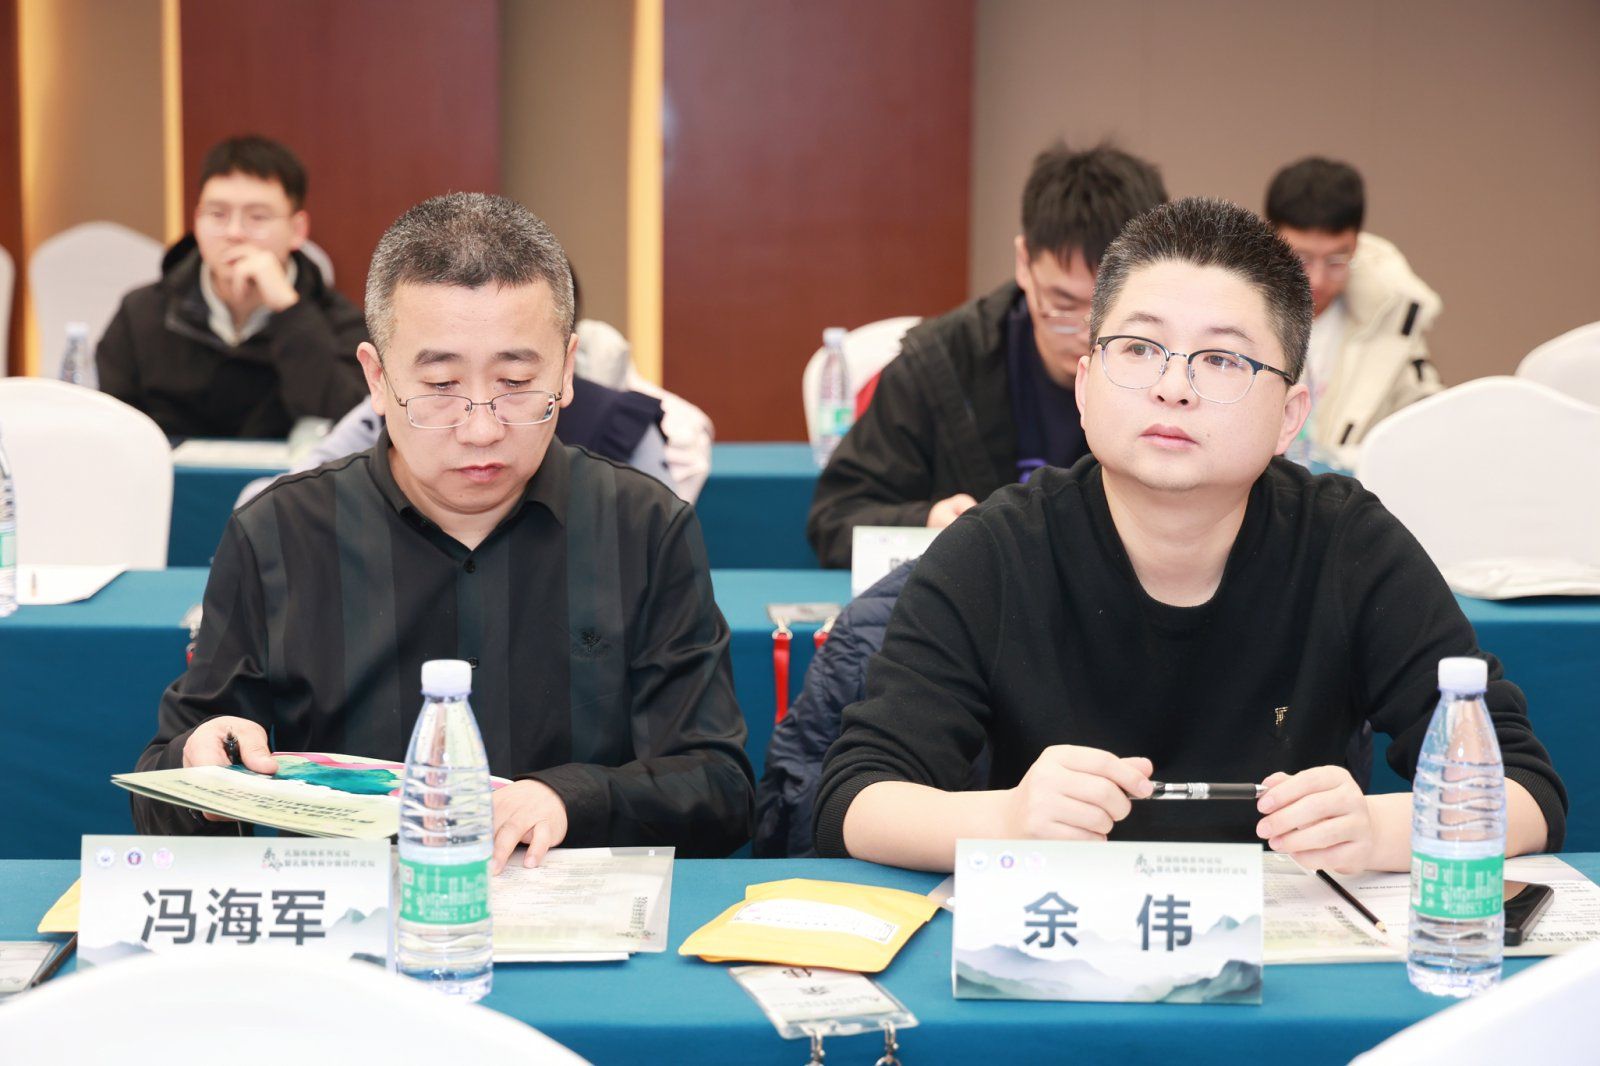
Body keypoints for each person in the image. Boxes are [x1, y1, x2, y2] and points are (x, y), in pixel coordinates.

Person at [814, 197, 1565, 873]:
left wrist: (1376, 830)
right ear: (1086, 386)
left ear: (1290, 416)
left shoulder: (1347, 545)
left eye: (1222, 359)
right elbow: (855, 798)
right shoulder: (998, 549)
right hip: (1060, 948)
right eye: (1139, 349)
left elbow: (1526, 791)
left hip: (1284, 959)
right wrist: (1007, 819)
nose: (1173, 387)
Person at [132, 193, 755, 867]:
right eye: (440, 385)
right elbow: (165, 789)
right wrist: (199, 767)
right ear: (376, 378)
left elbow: (719, 788)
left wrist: (572, 798)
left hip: (573, 901)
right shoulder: (280, 533)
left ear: (568, 369)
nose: (481, 428)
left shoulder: (643, 527)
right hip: (356, 910)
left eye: (516, 381)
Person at [805, 142, 1167, 567]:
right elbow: (836, 518)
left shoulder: (1181, 378)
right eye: (1062, 305)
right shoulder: (938, 365)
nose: (1087, 335)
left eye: (1111, 310)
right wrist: (927, 521)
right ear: (1023, 262)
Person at [96, 135, 368, 438]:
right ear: (197, 221)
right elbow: (111, 430)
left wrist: (289, 312)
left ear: (297, 230)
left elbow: (355, 429)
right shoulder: (142, 313)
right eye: (217, 214)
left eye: (257, 217)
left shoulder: (337, 321)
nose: (234, 232)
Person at [1265, 157, 1442, 468]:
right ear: (1270, 240)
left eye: (1336, 261)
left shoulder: (1391, 316)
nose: (1317, 279)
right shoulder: (1233, 309)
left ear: (1357, 244)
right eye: (1301, 259)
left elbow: (1425, 421)